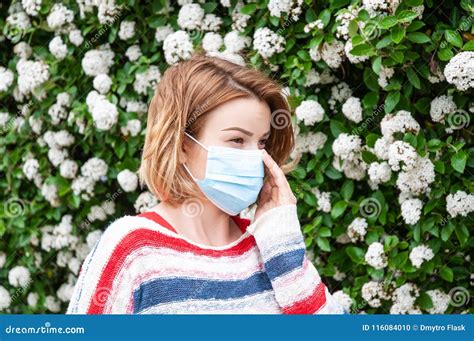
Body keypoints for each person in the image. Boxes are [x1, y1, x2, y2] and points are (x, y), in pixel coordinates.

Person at [67, 52, 346, 314]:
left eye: (262, 142)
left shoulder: (271, 247)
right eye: (237, 140)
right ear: (182, 145)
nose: (257, 157)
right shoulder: (133, 249)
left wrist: (284, 247)